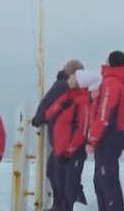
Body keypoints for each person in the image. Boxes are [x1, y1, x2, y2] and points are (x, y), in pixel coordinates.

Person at [33, 60, 88, 208]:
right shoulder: (71, 94)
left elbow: (45, 105)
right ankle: (71, 204)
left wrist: (38, 119)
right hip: (62, 142)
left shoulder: (64, 88)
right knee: (65, 178)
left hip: (66, 144)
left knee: (62, 178)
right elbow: (51, 109)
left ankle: (66, 205)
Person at [45, 69, 96, 211]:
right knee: (60, 187)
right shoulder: (67, 97)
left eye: (74, 76)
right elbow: (48, 114)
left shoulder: (83, 101)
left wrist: (69, 150)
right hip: (59, 150)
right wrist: (61, 106)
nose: (70, 77)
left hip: (72, 152)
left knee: (70, 187)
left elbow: (82, 129)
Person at [88, 51, 124, 211]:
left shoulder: (111, 83)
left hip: (107, 138)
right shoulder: (112, 82)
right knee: (102, 181)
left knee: (107, 181)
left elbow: (105, 114)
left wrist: (93, 139)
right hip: (110, 137)